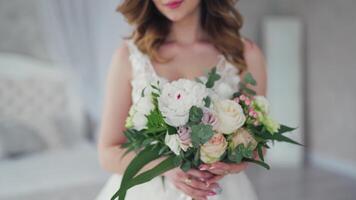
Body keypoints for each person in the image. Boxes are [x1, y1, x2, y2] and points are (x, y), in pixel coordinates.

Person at [97, 0, 267, 200]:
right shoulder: (129, 57)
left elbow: (259, 143)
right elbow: (107, 153)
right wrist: (163, 167)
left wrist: (234, 163)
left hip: (220, 191)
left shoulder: (245, 54)